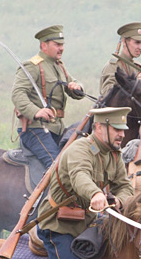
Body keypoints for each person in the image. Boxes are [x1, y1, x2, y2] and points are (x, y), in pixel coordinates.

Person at [36, 106, 134, 259]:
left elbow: (125, 186)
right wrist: (95, 194)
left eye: (123, 129)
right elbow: (80, 175)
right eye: (117, 129)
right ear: (99, 127)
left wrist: (118, 200)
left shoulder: (114, 155)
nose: (122, 134)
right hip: (59, 225)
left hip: (88, 225)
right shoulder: (79, 149)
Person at [11, 24, 85, 170]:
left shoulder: (59, 66)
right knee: (57, 167)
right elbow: (17, 93)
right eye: (57, 45)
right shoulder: (32, 66)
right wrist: (36, 112)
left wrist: (77, 87)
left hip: (56, 128)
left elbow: (72, 83)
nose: (61, 48)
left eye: (62, 45)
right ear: (44, 45)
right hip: (35, 128)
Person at [99, 22, 141, 96]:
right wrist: (134, 84)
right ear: (124, 42)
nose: (140, 47)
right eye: (137, 42)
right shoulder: (113, 65)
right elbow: (108, 94)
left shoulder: (138, 67)